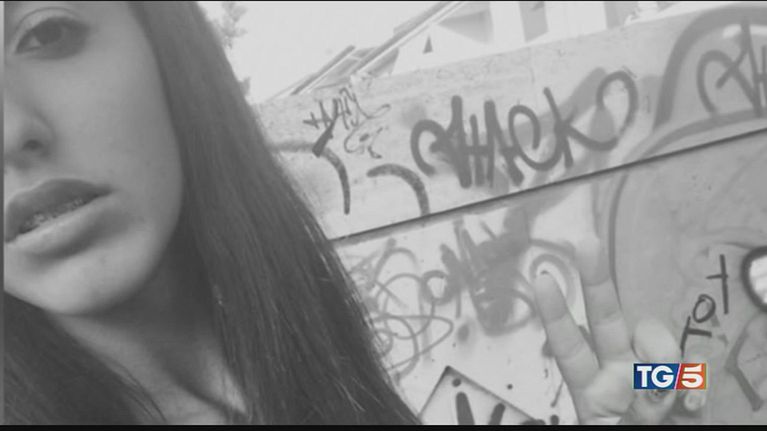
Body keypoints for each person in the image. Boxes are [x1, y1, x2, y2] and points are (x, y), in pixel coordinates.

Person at [3, 1, 679, 425]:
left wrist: (657, 397)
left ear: (168, 50)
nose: (10, 130)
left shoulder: (306, 354)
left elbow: (682, 374)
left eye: (44, 32)